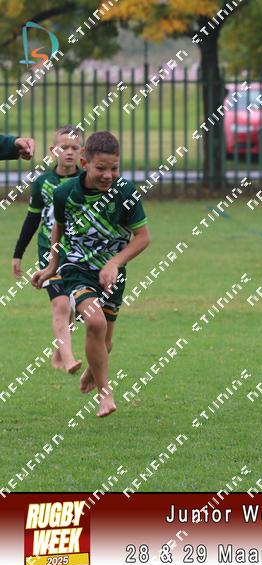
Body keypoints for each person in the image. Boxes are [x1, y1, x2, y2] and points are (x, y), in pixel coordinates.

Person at [32, 131, 150, 418]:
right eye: (101, 168)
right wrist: (52, 266)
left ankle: (93, 371)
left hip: (111, 275)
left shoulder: (125, 193)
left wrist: (114, 263)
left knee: (105, 341)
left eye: (114, 168)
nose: (108, 175)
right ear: (84, 163)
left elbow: (143, 237)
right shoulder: (65, 194)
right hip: (76, 269)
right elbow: (58, 229)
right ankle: (105, 395)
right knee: (95, 322)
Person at [13, 126, 84, 373]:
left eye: (75, 148)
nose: (69, 152)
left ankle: (59, 350)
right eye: (64, 147)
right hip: (49, 250)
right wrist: (18, 254)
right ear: (54, 151)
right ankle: (69, 360)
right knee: (61, 305)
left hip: (78, 251)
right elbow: (32, 219)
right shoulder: (43, 183)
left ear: (82, 152)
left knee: (73, 304)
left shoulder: (87, 181)